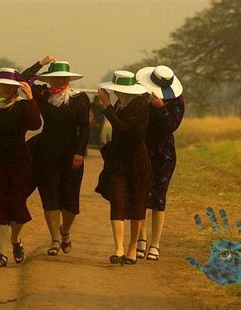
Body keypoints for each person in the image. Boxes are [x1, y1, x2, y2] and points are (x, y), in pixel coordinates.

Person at [22, 56, 90, 256]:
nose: (59, 81)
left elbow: (85, 128)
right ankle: (54, 239)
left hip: (72, 154)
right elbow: (23, 78)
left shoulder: (79, 98)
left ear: (69, 79)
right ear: (50, 78)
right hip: (47, 151)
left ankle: (65, 231)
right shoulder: (43, 94)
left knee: (70, 201)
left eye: (63, 78)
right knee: (49, 196)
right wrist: (41, 63)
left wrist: (79, 151)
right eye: (56, 78)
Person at [0, 68, 41, 267]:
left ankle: (15, 239)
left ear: (15, 88)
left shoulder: (22, 107)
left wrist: (30, 98)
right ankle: (2, 252)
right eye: (2, 85)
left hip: (18, 162)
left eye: (9, 86)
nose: (5, 88)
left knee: (17, 207)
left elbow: (35, 124)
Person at [95, 70, 151, 265]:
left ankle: (132, 247)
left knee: (137, 204)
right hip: (118, 160)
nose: (117, 94)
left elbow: (122, 127)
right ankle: (118, 248)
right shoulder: (119, 104)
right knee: (117, 201)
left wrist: (107, 106)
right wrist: (110, 105)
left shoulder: (141, 105)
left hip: (137, 159)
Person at [135, 65, 185, 261]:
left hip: (164, 152)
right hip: (142, 148)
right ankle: (140, 239)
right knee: (140, 193)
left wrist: (161, 108)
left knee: (159, 197)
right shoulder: (141, 95)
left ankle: (155, 243)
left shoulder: (176, 101)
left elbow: (171, 126)